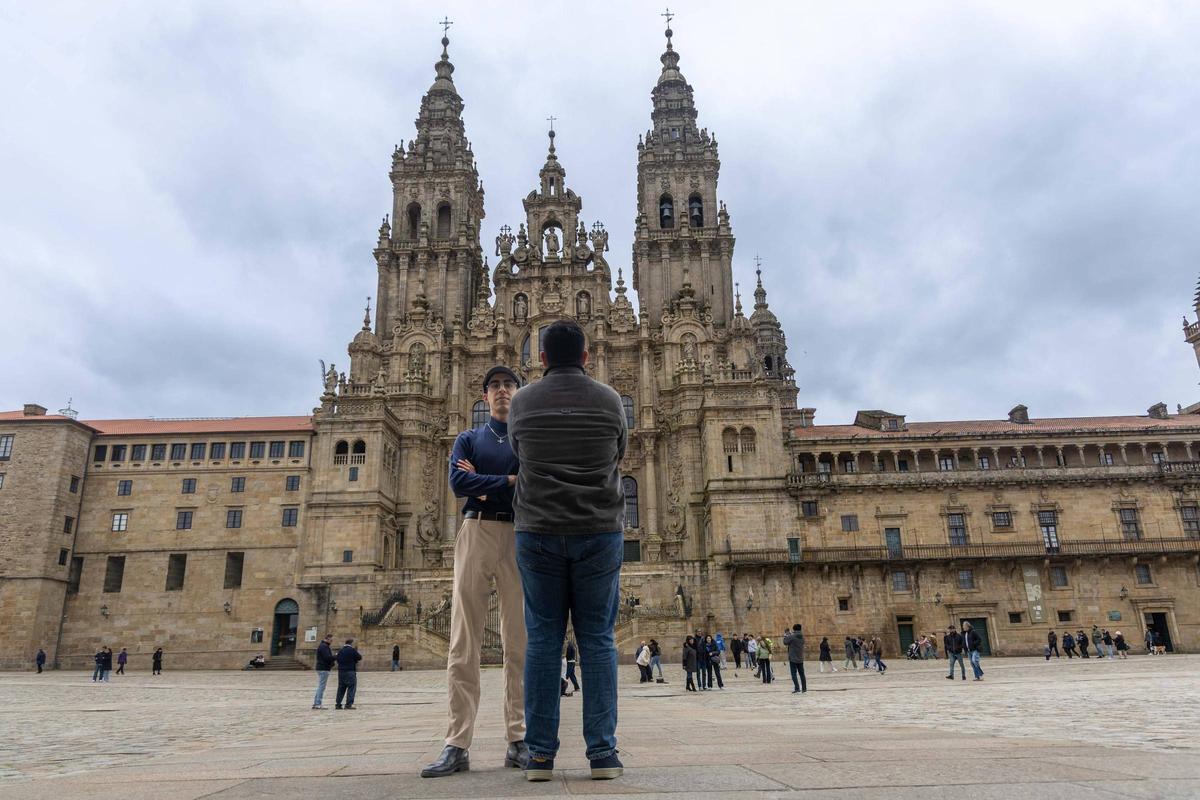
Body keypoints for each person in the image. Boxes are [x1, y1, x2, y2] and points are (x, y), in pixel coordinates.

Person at [508, 320, 627, 782]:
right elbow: (619, 449)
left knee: (542, 641)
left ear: (540, 358)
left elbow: (517, 450)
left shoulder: (521, 401)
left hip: (536, 531)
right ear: (586, 356)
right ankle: (603, 755)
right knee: (598, 640)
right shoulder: (611, 399)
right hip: (599, 531)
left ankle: (539, 756)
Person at [423, 364, 529, 779]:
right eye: (495, 386)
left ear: (518, 393)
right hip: (476, 529)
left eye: (509, 385)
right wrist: (507, 478)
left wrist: (484, 482)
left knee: (518, 641)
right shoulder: (468, 438)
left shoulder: (526, 439)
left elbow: (533, 482)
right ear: (485, 396)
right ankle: (456, 743)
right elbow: (456, 484)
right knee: (463, 640)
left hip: (519, 532)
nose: (502, 391)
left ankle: (517, 738)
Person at [335, 638, 361, 709]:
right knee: (351, 687)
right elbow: (359, 657)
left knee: (341, 688)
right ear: (351, 643)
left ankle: (338, 704)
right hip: (350, 671)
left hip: (341, 671)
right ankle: (349, 704)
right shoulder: (352, 650)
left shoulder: (340, 650)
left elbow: (337, 659)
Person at [313, 633, 335, 709]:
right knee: (322, 687)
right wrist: (335, 656)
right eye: (331, 640)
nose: (332, 642)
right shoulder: (324, 646)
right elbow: (327, 657)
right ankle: (318, 703)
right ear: (328, 639)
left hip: (321, 668)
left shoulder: (323, 645)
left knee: (321, 686)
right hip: (323, 668)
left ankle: (316, 703)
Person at [783, 625, 807, 693]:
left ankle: (797, 688)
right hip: (800, 657)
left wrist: (786, 635)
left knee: (794, 674)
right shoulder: (802, 637)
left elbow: (785, 642)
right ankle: (804, 688)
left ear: (794, 629)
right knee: (802, 674)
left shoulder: (792, 636)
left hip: (793, 658)